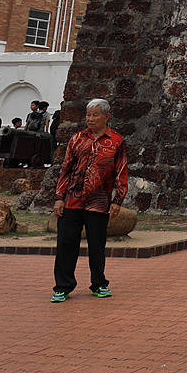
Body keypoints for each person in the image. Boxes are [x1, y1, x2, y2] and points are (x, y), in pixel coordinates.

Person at [50, 99, 127, 302]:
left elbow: (121, 172)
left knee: (97, 245)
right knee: (66, 244)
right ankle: (62, 286)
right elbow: (65, 169)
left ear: (106, 117)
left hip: (98, 201)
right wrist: (59, 197)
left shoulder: (117, 141)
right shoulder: (76, 139)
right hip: (71, 201)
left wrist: (117, 200)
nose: (90, 119)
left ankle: (99, 283)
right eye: (88, 115)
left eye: (95, 115)